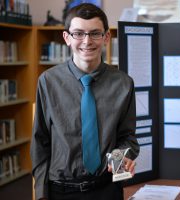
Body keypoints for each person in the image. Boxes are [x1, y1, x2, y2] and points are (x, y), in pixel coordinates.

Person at [30, 3, 139, 200]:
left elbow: (127, 137)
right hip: (61, 190)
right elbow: (40, 142)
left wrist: (122, 161)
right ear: (67, 38)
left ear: (106, 38)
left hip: (107, 189)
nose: (87, 41)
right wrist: (40, 194)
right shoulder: (48, 81)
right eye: (78, 33)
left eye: (95, 33)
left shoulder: (124, 83)